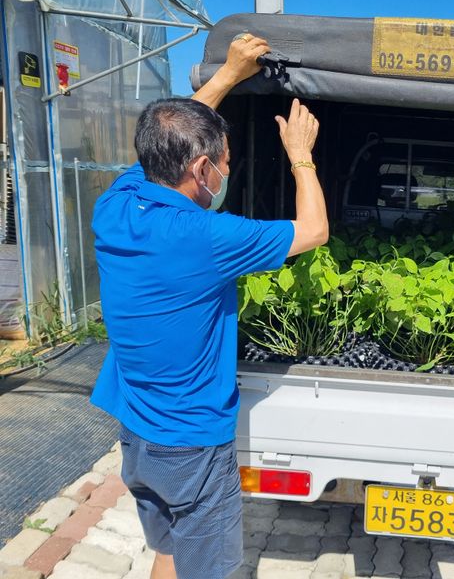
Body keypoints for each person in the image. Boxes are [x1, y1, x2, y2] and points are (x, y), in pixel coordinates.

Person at [90, 33, 328, 579]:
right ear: (202, 170)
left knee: (170, 551)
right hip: (191, 445)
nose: (225, 173)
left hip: (138, 434)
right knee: (205, 570)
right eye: (224, 164)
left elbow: (169, 137)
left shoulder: (116, 205)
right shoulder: (206, 236)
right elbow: (314, 230)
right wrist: (301, 157)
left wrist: (228, 74)